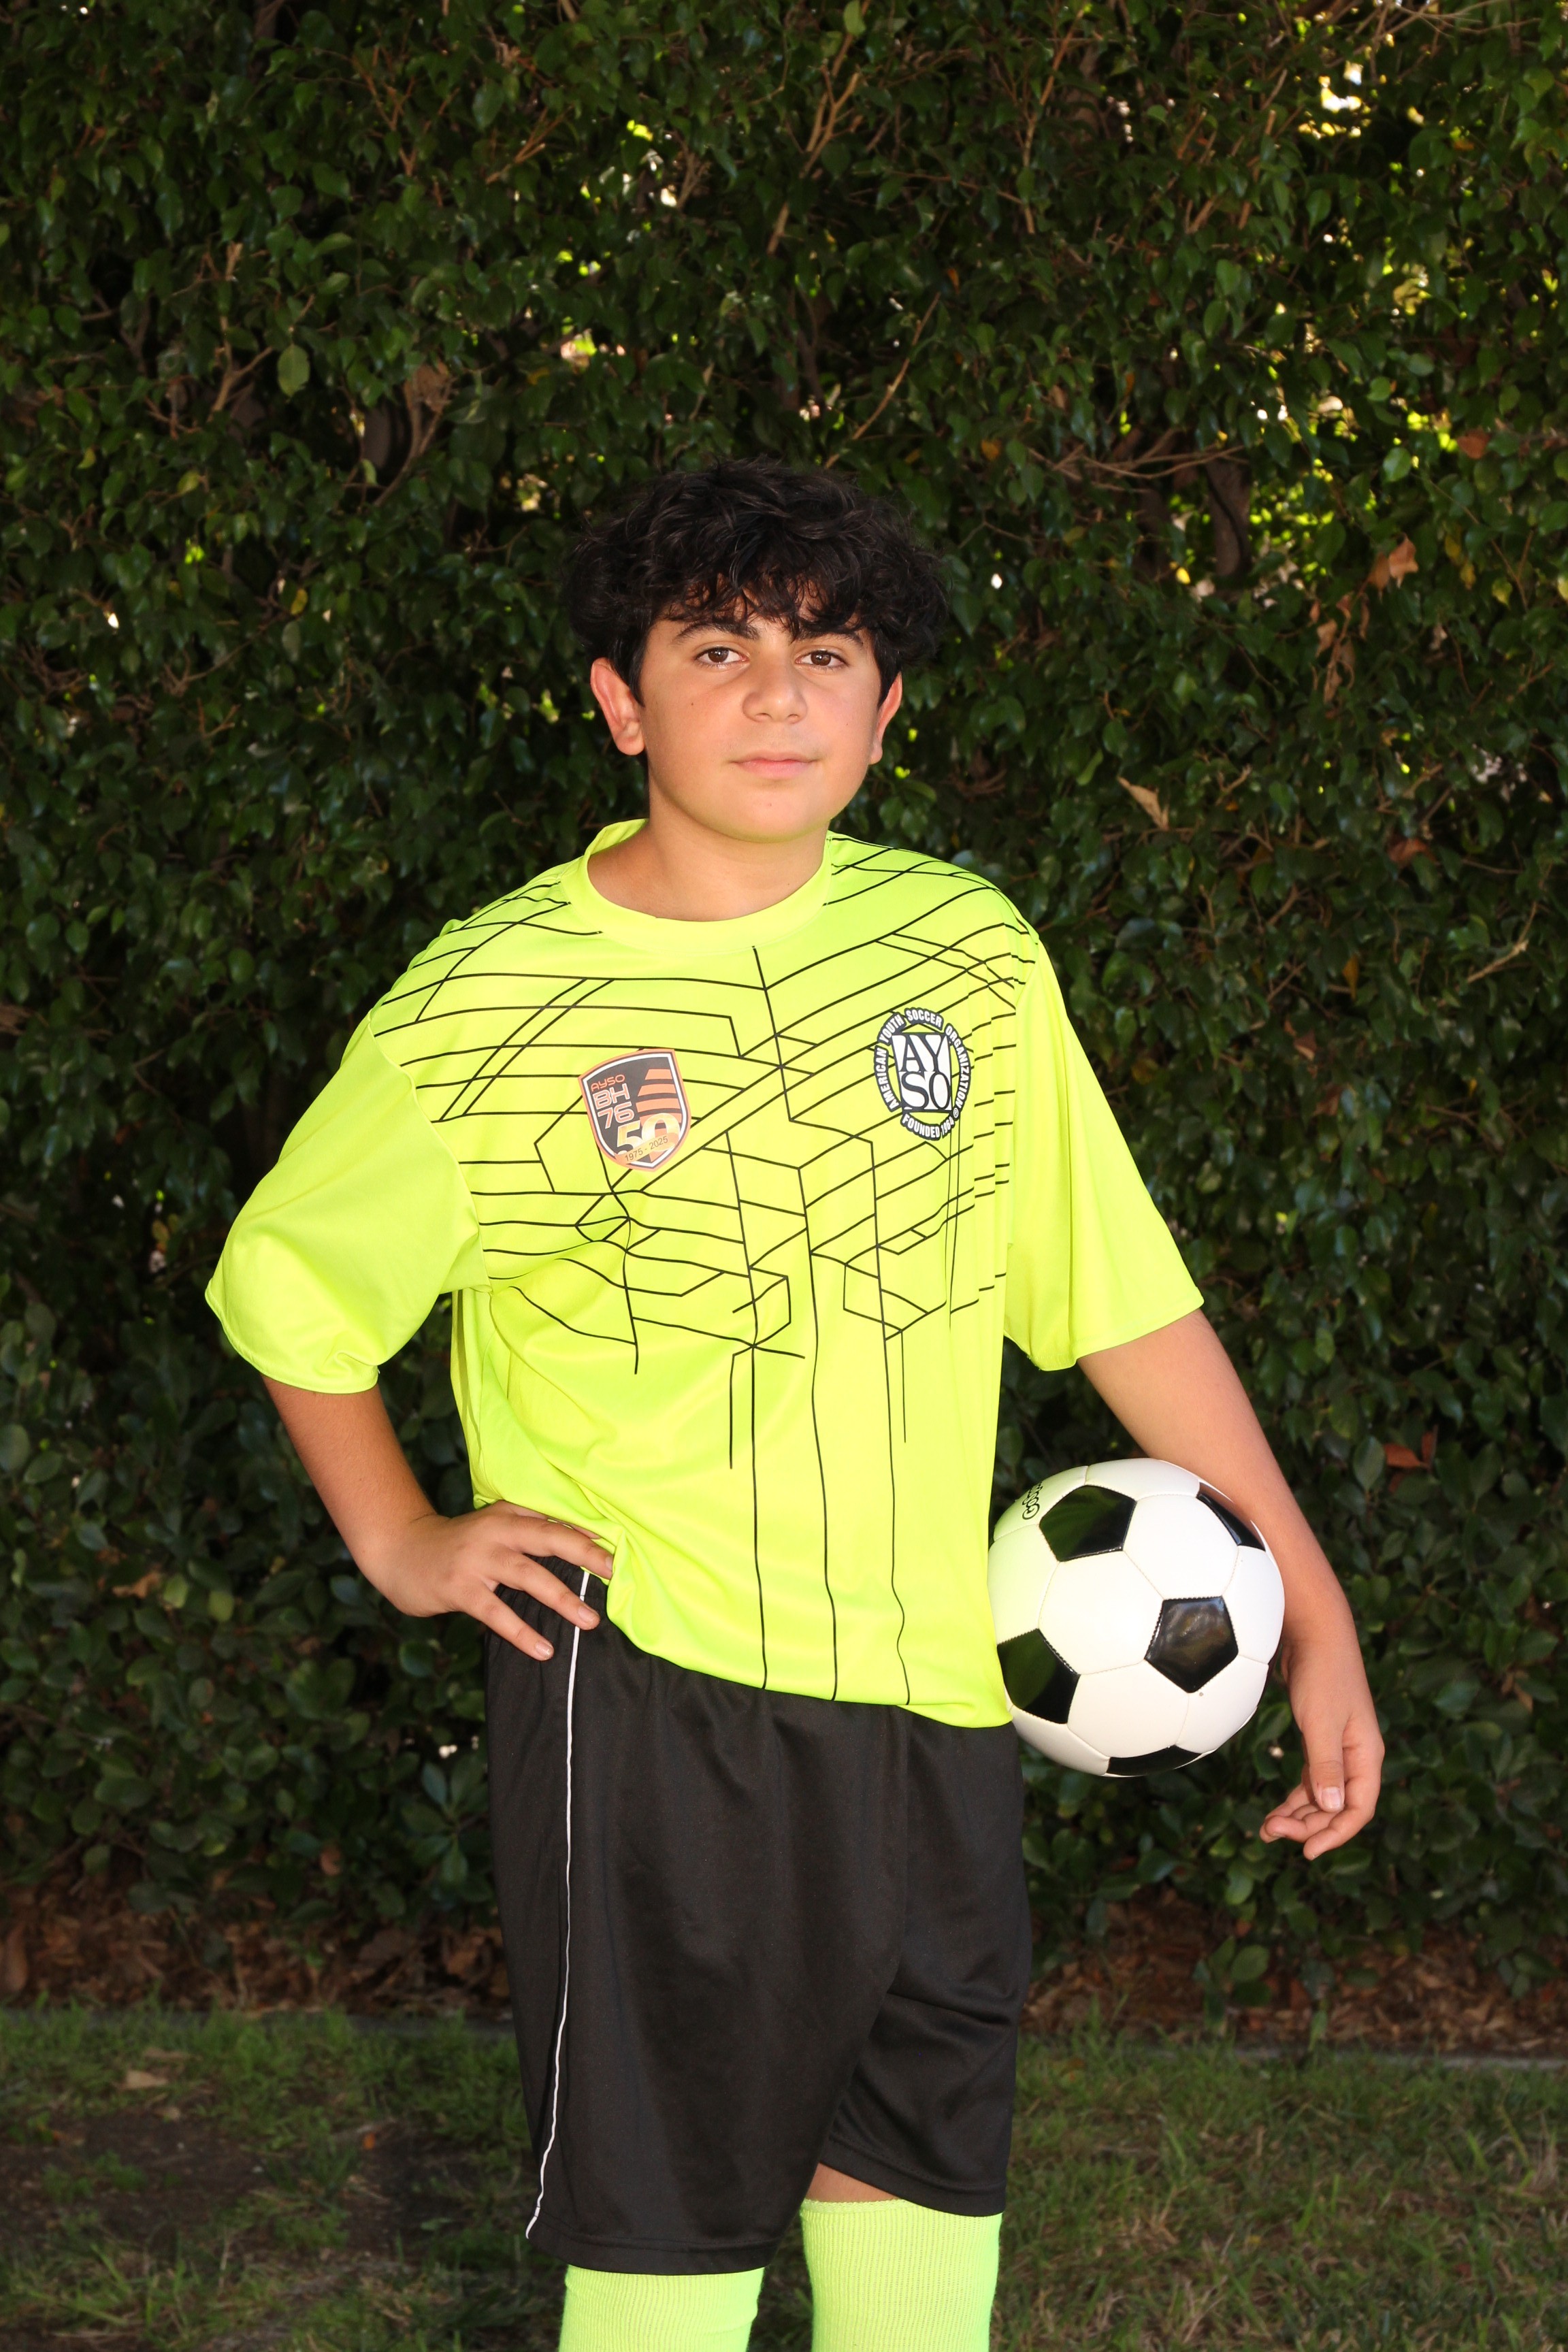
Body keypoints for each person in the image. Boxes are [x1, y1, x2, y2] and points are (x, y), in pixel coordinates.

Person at [206, 458, 1383, 2351]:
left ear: (886, 709)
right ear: (621, 702)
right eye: (717, 648)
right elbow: (294, 1285)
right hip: (661, 1699)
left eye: (826, 652)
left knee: (922, 2214)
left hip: (938, 1700)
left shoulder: (967, 957)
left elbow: (1123, 1306)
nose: (777, 694)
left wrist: (1312, 1607)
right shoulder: (490, 1004)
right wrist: (401, 1537)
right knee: (668, 2252)